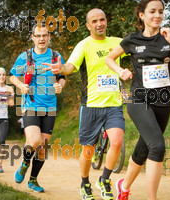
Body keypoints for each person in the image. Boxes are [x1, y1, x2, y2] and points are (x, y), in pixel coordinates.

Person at [105, 0, 170, 199]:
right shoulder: (132, 40)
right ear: (142, 15)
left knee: (144, 148)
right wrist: (121, 70)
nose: (157, 15)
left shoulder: (169, 39)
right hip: (138, 100)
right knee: (158, 146)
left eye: (161, 12)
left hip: (163, 102)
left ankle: (124, 185)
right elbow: (109, 59)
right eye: (152, 11)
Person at [43, 8, 125, 200]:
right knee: (88, 149)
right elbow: (70, 67)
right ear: (88, 26)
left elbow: (137, 52)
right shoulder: (83, 45)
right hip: (91, 105)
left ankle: (104, 179)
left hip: (114, 104)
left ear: (106, 21)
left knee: (118, 140)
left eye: (102, 19)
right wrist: (60, 68)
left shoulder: (118, 43)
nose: (99, 24)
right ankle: (85, 182)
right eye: (94, 21)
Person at [9, 24, 66, 193]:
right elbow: (13, 76)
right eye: (38, 35)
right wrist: (21, 86)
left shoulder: (56, 56)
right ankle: (24, 165)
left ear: (49, 37)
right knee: (34, 141)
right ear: (32, 37)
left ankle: (33, 181)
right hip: (31, 105)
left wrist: (60, 86)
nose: (41, 38)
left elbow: (62, 77)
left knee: (42, 149)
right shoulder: (26, 56)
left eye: (44, 35)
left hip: (50, 106)